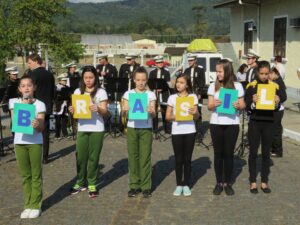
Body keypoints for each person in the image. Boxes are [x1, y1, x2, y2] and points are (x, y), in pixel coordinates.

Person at [69, 66, 108, 198]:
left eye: (91, 77)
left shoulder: (101, 92)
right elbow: (75, 112)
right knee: (80, 157)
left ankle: (92, 182)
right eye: (86, 77)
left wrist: (98, 109)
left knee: (93, 157)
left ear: (95, 78)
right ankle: (80, 181)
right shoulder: (77, 91)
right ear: (82, 78)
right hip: (82, 128)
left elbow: (105, 112)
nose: (88, 80)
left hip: (97, 128)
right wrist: (72, 111)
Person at [9, 75, 45, 218]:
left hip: (35, 142)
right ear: (19, 89)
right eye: (23, 86)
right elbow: (13, 123)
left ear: (34, 87)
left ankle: (36, 205)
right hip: (19, 142)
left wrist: (37, 124)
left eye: (29, 85)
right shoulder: (14, 103)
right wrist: (25, 104)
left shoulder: (40, 104)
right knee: (25, 176)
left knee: (36, 175)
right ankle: (28, 204)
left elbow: (41, 127)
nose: (26, 88)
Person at [207, 59, 245, 196]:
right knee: (218, 154)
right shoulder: (213, 86)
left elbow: (243, 105)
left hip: (232, 124)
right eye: (216, 71)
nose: (217, 74)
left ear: (227, 71)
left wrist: (239, 106)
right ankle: (219, 183)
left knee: (229, 154)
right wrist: (214, 104)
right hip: (216, 123)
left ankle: (228, 183)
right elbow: (209, 106)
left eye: (220, 71)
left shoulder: (237, 86)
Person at [245, 61, 283, 194]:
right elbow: (247, 107)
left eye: (267, 74)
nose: (264, 76)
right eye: (261, 73)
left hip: (269, 122)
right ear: (257, 73)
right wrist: (253, 102)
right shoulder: (251, 86)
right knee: (253, 153)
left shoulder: (274, 86)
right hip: (255, 122)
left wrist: (277, 102)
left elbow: (278, 104)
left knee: (266, 153)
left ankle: (264, 181)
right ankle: (252, 181)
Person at [122, 67, 156, 198]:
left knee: (145, 157)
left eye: (143, 80)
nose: (141, 82)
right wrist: (124, 109)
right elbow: (124, 113)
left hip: (146, 128)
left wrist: (151, 111)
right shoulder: (128, 94)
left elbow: (153, 115)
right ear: (134, 80)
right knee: (133, 156)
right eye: (138, 80)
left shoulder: (151, 94)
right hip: (132, 127)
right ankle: (134, 185)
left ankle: (146, 186)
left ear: (146, 80)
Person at [165, 73, 199, 196]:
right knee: (178, 159)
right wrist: (177, 116)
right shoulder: (172, 98)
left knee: (187, 159)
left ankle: (186, 184)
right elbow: (167, 116)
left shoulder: (193, 97)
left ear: (187, 85)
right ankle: (179, 184)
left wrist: (195, 113)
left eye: (181, 82)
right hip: (177, 131)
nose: (178, 84)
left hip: (190, 131)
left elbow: (197, 116)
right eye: (177, 82)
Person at [27, 53, 55, 164]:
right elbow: (53, 92)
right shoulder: (49, 74)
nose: (29, 65)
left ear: (35, 61)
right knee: (45, 133)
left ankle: (35, 155)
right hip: (47, 106)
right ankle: (45, 157)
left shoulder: (33, 75)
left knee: (32, 131)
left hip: (35, 106)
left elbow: (29, 91)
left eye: (29, 63)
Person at [149, 55, 171, 134]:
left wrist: (162, 88)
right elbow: (150, 84)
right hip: (154, 94)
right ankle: (155, 129)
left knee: (164, 112)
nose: (160, 64)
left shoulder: (166, 72)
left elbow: (168, 84)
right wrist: (154, 89)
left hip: (164, 94)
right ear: (155, 63)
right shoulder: (152, 72)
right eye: (158, 63)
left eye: (161, 62)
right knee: (154, 112)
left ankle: (167, 129)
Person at [184, 53, 205, 134]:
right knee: (188, 111)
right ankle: (190, 130)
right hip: (188, 94)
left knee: (198, 111)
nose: (189, 62)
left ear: (195, 60)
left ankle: (198, 131)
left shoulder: (200, 69)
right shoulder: (187, 70)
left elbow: (202, 83)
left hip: (197, 93)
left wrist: (200, 93)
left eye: (191, 60)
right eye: (189, 60)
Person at [269, 67, 287, 157]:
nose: (269, 76)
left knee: (276, 130)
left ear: (275, 74)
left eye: (270, 74)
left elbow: (284, 96)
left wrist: (278, 99)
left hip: (278, 110)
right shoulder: (275, 82)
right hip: (273, 109)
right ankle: (273, 149)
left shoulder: (279, 82)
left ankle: (278, 151)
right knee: (273, 129)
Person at [53, 73, 71, 140]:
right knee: (57, 121)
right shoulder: (56, 87)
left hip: (65, 106)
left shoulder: (67, 87)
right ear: (59, 81)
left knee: (64, 121)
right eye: (63, 80)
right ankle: (57, 135)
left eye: (65, 80)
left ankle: (65, 134)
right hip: (58, 107)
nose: (65, 82)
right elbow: (54, 97)